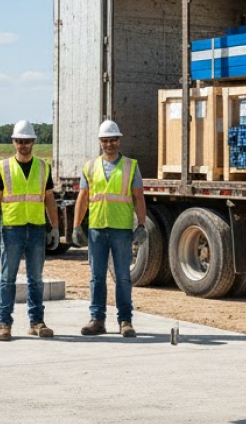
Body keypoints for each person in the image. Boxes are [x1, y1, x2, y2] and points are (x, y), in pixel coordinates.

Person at [72, 119, 147, 338]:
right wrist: (77, 225)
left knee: (123, 277)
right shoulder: (90, 167)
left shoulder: (130, 166)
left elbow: (138, 197)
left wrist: (141, 224)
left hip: (121, 228)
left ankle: (125, 320)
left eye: (113, 140)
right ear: (100, 142)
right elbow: (83, 197)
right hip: (97, 228)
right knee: (96, 277)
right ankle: (97, 320)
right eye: (105, 140)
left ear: (119, 141)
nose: (109, 144)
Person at [0, 120, 59, 341]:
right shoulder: (3, 167)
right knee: (7, 279)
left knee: (35, 279)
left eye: (27, 141)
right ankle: (4, 324)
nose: (23, 145)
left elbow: (49, 199)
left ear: (33, 142)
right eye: (19, 141)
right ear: (14, 142)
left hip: (36, 229)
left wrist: (54, 227)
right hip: (12, 229)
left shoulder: (43, 167)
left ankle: (36, 322)